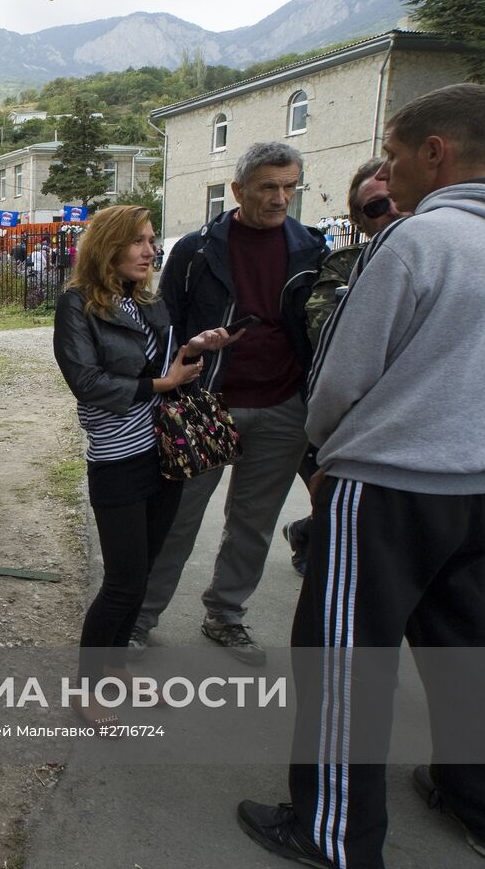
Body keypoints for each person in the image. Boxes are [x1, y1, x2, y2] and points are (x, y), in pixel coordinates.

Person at [238, 83, 485, 869]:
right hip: (483, 489)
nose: (386, 177)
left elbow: (344, 370)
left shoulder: (419, 242)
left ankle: (332, 833)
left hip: (385, 487)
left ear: (438, 152)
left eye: (392, 158)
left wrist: (324, 456)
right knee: (471, 661)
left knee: (346, 664)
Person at [131, 141, 326, 665]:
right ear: (238, 190)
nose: (282, 197)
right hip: (206, 403)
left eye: (290, 186)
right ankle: (141, 619)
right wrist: (174, 376)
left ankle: (226, 615)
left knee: (253, 524)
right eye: (269, 187)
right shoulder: (196, 249)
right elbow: (163, 324)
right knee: (178, 520)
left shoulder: (312, 248)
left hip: (285, 405)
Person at [52, 205, 236, 723]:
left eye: (152, 240)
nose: (150, 251)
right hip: (117, 458)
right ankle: (88, 688)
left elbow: (167, 361)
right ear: (107, 245)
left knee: (146, 570)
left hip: (163, 452)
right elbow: (87, 384)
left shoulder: (144, 302)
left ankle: (115, 672)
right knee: (123, 582)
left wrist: (197, 346)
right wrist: (159, 385)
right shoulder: (77, 305)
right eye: (137, 241)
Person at [283, 159, 407, 573]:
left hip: (412, 424)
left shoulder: (448, 253)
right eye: (376, 207)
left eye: (397, 199)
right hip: (346, 417)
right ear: (359, 218)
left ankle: (310, 535)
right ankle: (315, 543)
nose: (392, 210)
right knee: (339, 506)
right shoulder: (345, 265)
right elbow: (327, 335)